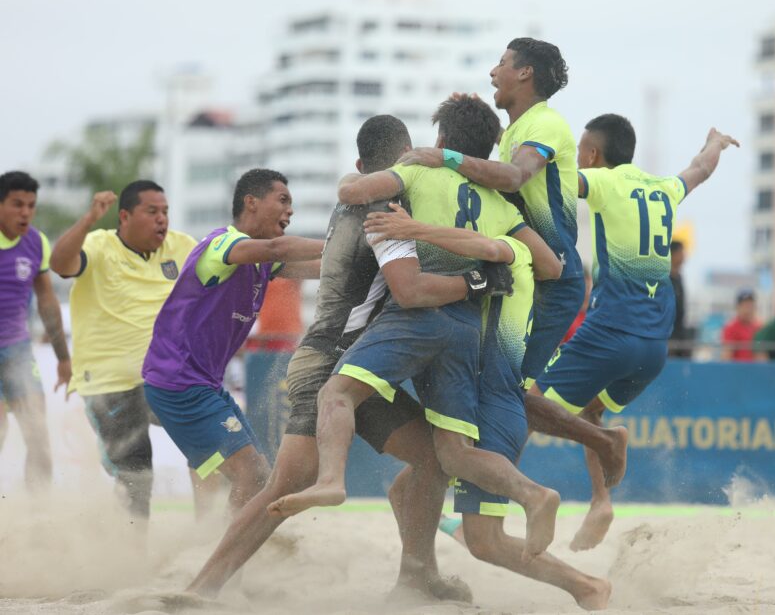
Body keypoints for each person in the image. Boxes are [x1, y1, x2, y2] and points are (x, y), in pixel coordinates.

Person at [187, 115, 512, 601]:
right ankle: (201, 589)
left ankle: (417, 576)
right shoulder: (387, 205)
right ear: (407, 157)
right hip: (326, 363)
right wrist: (476, 281)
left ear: (361, 166)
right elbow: (409, 290)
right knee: (285, 484)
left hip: (351, 361)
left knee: (432, 459)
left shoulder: (353, 198)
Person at [269, 96, 563, 561]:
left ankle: (331, 481)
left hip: (420, 315)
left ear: (440, 141)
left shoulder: (417, 173)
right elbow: (550, 267)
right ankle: (532, 495)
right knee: (451, 455)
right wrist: (495, 250)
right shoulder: (499, 203)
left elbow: (353, 194)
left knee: (335, 393)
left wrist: (355, 175)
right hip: (470, 333)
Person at [363, 203, 611, 610]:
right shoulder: (520, 258)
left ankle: (584, 583)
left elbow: (486, 246)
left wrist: (414, 227)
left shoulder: (514, 250)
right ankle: (421, 577)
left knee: (486, 542)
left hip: (493, 407)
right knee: (404, 488)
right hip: (497, 399)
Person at [536, 114, 739, 551]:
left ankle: (522, 497)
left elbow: (549, 182)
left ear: (592, 155)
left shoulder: (605, 183)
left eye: (582, 152)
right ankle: (601, 502)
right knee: (588, 410)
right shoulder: (663, 188)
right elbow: (700, 170)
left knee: (527, 405)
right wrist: (715, 144)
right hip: (654, 345)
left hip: (610, 331)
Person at [399, 38, 584, 387]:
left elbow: (514, 177)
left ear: (524, 72)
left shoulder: (546, 123)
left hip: (553, 280)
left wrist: (446, 156)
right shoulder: (519, 129)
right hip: (520, 269)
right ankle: (604, 441)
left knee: (507, 390)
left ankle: (605, 442)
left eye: (501, 63)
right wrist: (472, 119)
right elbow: (508, 149)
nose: (492, 72)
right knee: (492, 387)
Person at [142, 169, 323, 516]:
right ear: (251, 203)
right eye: (283, 200)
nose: (290, 211)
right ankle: (227, 558)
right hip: (179, 384)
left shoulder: (262, 265)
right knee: (252, 475)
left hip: (202, 385)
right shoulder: (221, 243)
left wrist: (369, 257)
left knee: (252, 476)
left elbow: (319, 267)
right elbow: (278, 247)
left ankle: (209, 542)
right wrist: (344, 243)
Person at [49, 181, 198, 521]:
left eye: (165, 212)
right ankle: (129, 556)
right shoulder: (99, 245)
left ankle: (212, 535)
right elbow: (60, 263)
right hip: (109, 383)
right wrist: (89, 219)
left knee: (213, 449)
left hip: (166, 377)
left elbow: (222, 275)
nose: (162, 219)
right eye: (152, 212)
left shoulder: (182, 247)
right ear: (125, 217)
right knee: (137, 474)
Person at [0, 171, 69, 491]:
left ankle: (38, 520)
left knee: (39, 437)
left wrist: (63, 358)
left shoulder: (36, 242)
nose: (26, 212)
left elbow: (48, 302)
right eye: (17, 204)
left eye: (31, 205)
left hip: (17, 350)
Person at [721, 290, 760, 361]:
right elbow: (726, 356)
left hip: (755, 369)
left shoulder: (759, 327)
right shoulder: (731, 328)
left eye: (751, 305)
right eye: (745, 305)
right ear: (737, 307)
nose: (748, 309)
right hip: (737, 369)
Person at [668, 240, 688, 357]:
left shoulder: (679, 278)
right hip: (668, 335)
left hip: (680, 334)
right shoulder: (664, 279)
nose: (684, 256)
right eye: (681, 253)